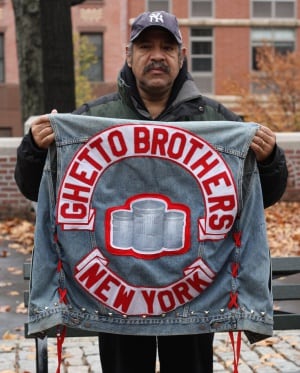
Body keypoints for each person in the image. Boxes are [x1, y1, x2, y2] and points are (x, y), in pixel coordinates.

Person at [15, 10, 288, 373]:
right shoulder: (95, 118)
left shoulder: (218, 122)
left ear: (181, 56)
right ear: (129, 55)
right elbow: (37, 188)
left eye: (166, 46)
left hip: (194, 298)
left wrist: (270, 159)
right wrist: (34, 148)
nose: (156, 55)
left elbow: (263, 196)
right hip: (115, 295)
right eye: (145, 46)